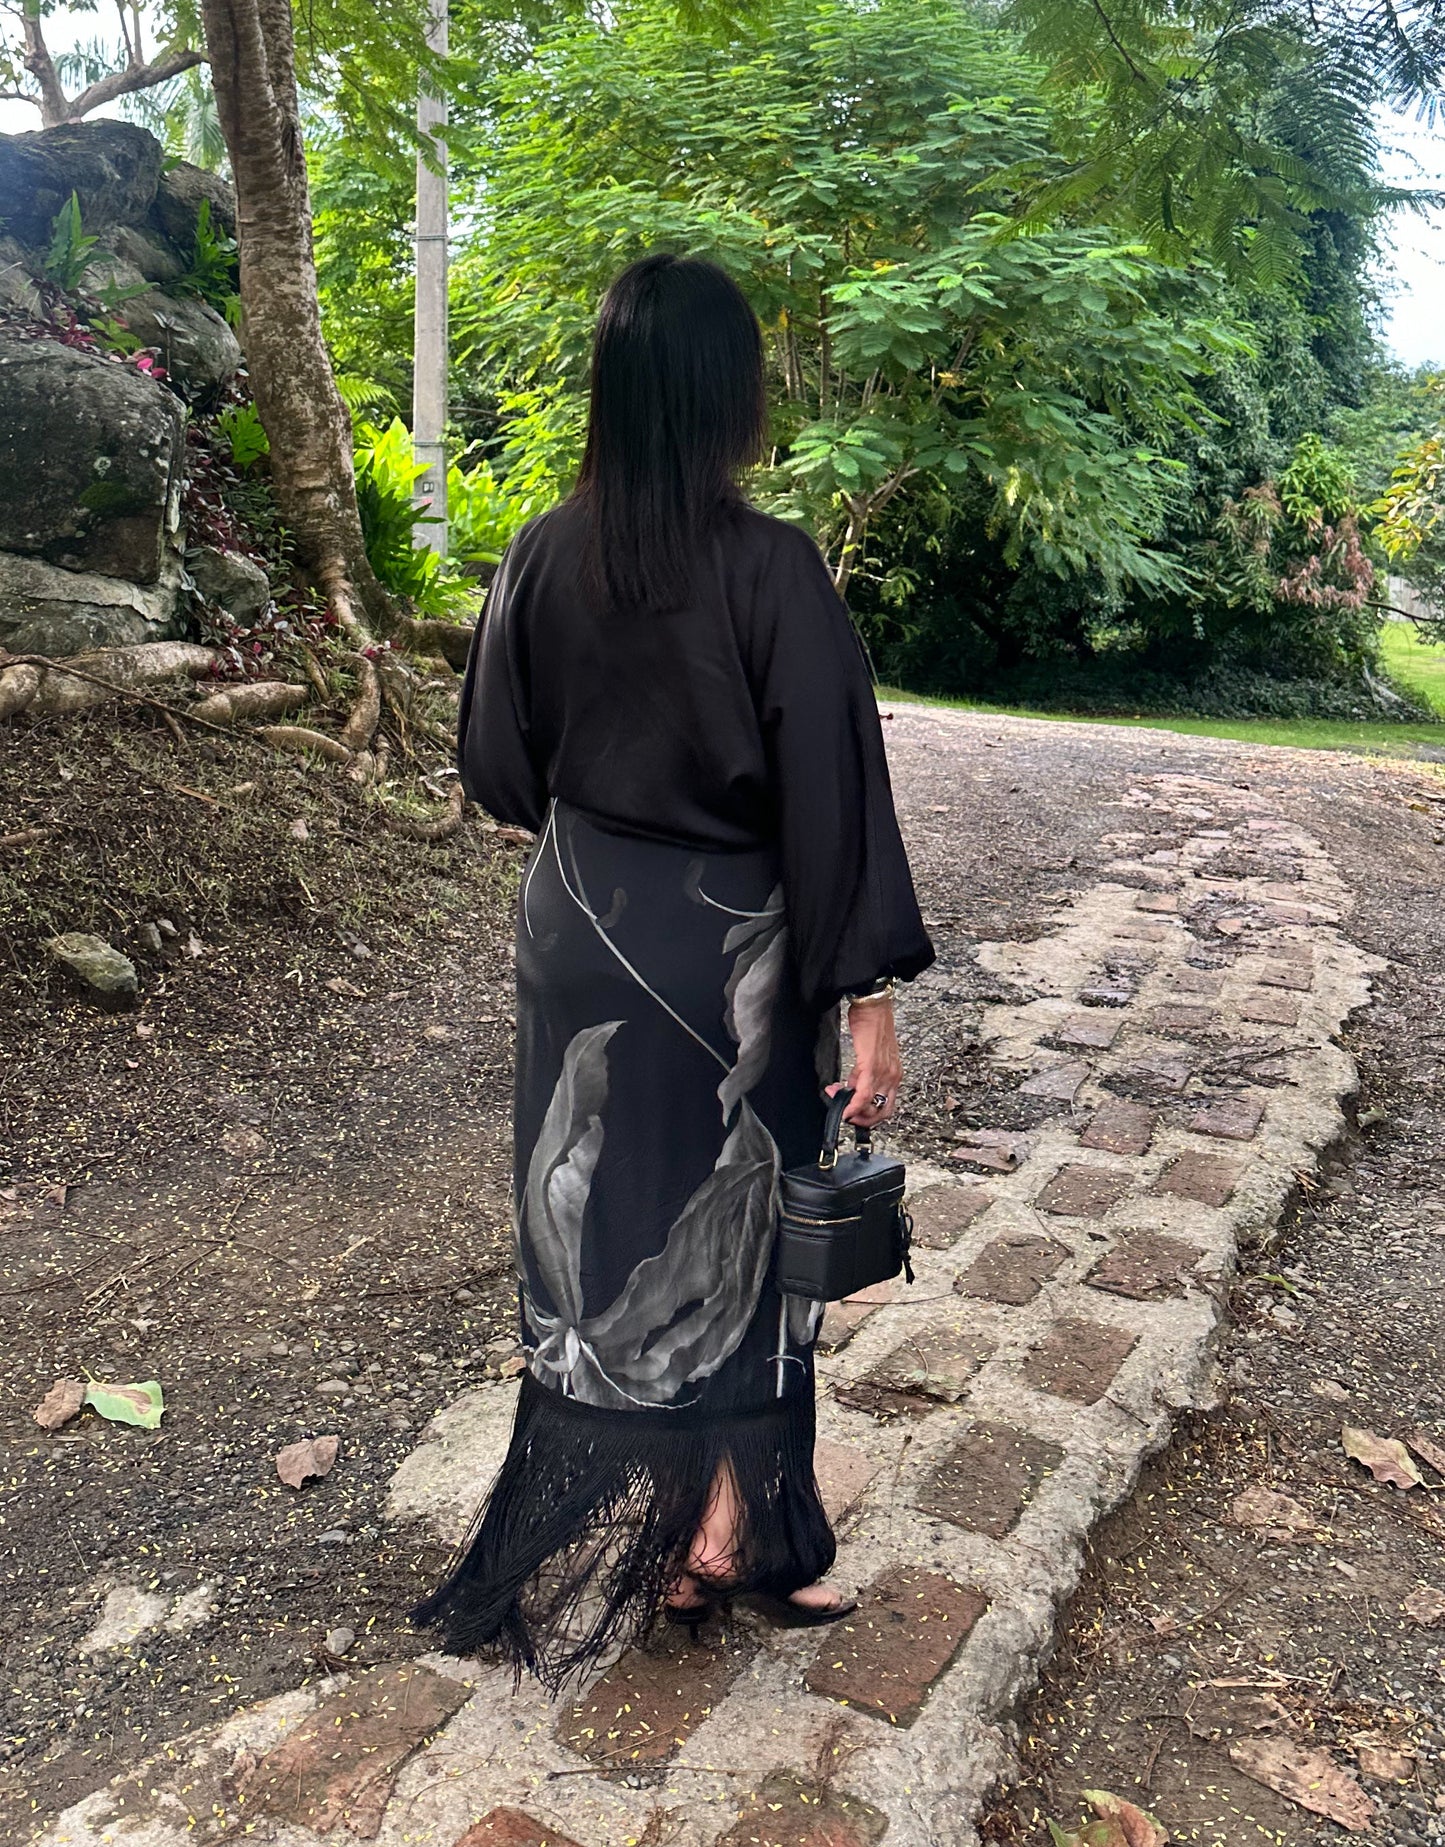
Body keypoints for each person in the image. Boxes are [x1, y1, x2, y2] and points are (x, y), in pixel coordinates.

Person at [411, 253, 934, 1690]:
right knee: (735, 1225)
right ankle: (723, 1535)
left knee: (595, 1231)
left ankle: (657, 1522)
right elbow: (833, 796)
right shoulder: (770, 570)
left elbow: (499, 768)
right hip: (728, 959)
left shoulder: (536, 552)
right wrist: (870, 998)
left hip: (576, 928)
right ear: (729, 398)